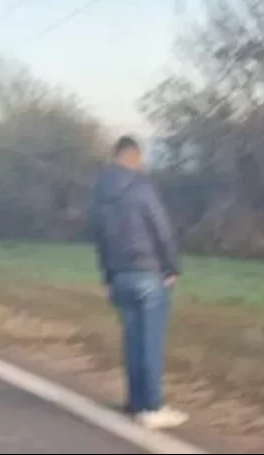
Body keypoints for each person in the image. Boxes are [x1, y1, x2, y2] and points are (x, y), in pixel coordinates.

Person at [87, 135, 188, 430]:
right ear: (133, 156)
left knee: (132, 341)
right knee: (150, 342)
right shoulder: (141, 187)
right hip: (148, 272)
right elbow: (161, 228)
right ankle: (152, 407)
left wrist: (107, 276)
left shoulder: (100, 192)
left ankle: (134, 402)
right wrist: (172, 267)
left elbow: (99, 238)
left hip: (119, 275)